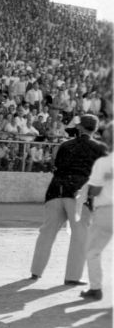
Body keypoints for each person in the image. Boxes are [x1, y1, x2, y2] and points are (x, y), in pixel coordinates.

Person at [29, 114, 108, 285]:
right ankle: (72, 277)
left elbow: (56, 167)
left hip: (56, 190)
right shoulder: (99, 148)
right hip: (79, 192)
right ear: (94, 129)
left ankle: (35, 272)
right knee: (80, 236)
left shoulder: (64, 145)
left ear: (79, 127)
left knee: (47, 233)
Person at [78, 124, 113, 300]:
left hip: (107, 210)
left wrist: (90, 189)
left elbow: (96, 191)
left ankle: (96, 289)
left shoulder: (103, 163)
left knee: (93, 250)